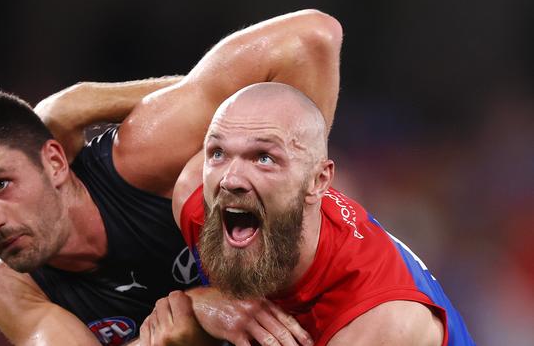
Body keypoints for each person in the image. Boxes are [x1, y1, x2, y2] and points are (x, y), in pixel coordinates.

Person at [0, 9, 342, 345]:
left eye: (0, 184)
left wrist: (86, 99)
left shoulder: (143, 156)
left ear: (53, 162)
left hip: (338, 317)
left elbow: (309, 38)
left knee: (204, 175)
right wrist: (180, 328)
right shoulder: (13, 287)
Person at [137, 82, 475, 345]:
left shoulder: (380, 324)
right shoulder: (197, 199)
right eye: (218, 153)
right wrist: (202, 306)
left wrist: (190, 324)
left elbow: (316, 35)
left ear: (318, 181)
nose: (231, 180)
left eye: (264, 158)